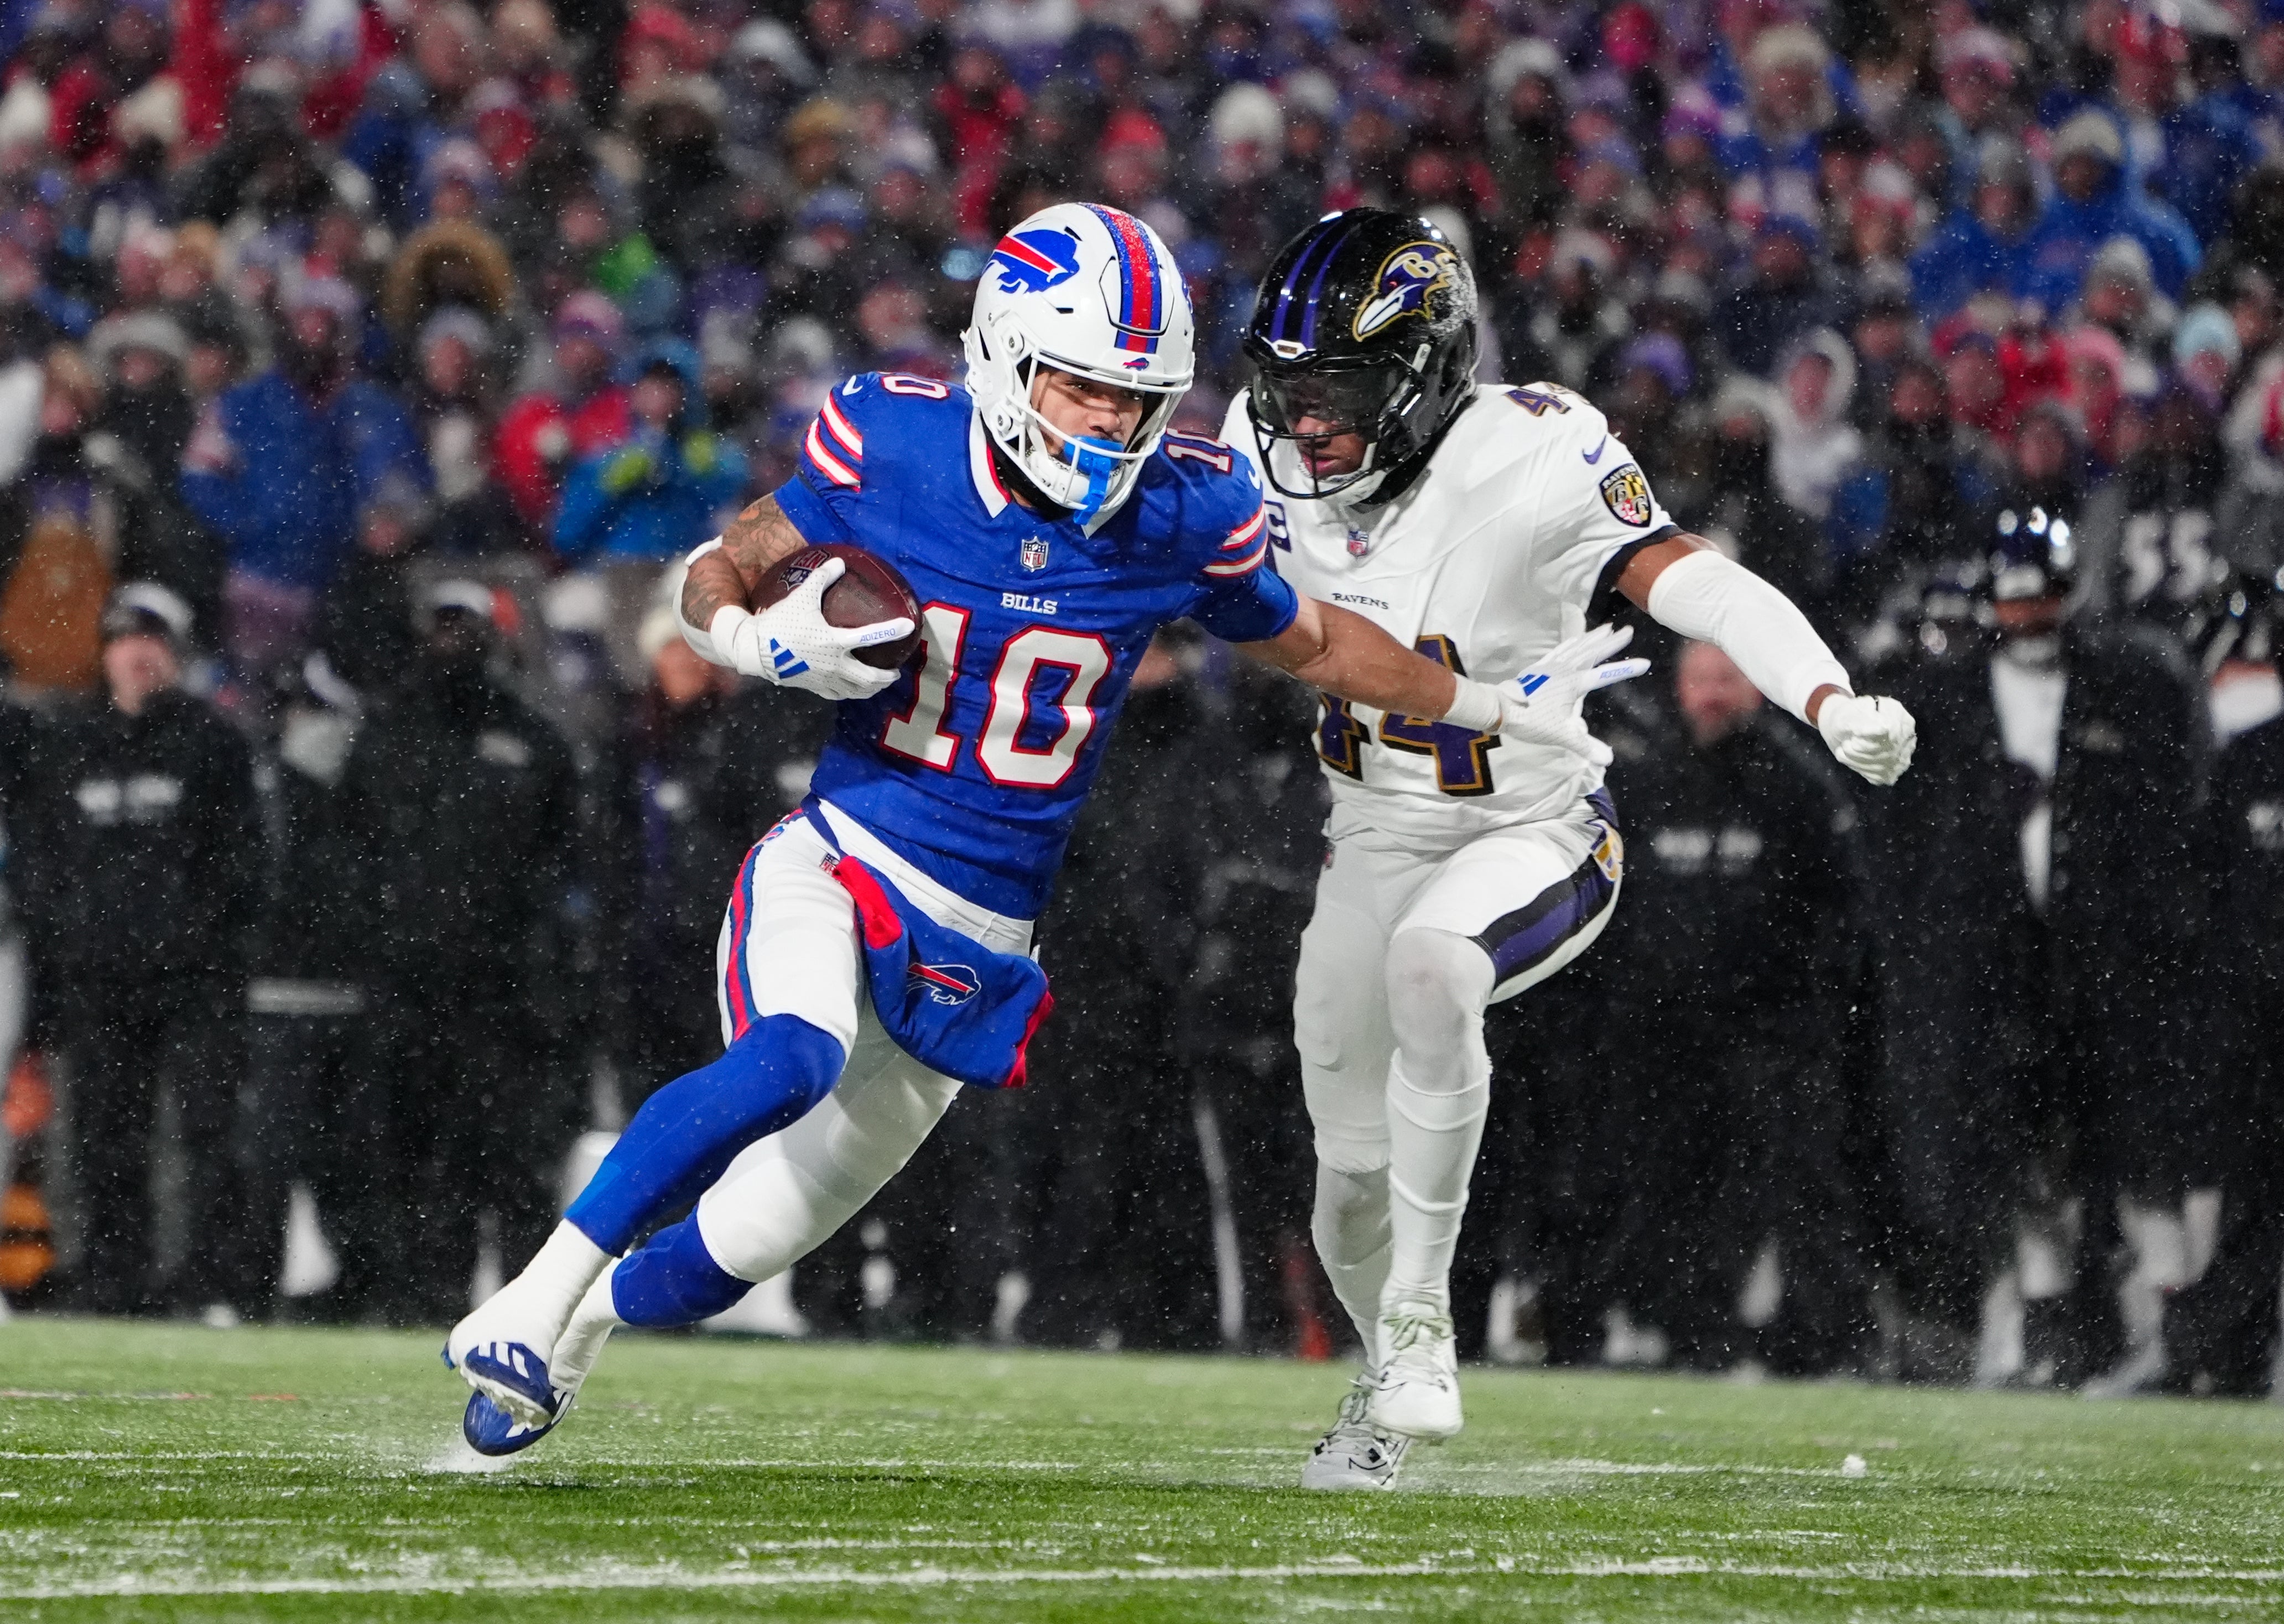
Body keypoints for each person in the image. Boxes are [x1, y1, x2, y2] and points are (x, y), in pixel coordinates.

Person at [443, 201, 1620, 1455]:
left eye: (1134, 397)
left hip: (988, 931)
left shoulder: (1182, 513)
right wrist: (748, 640)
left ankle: (582, 1328)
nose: (1111, 424)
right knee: (792, 1053)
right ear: (1004, 356)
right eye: (1082, 390)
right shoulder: (892, 444)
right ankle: (523, 1299)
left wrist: (1491, 699)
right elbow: (718, 565)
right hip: (844, 856)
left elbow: (1322, 644)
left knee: (747, 1247)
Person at [1218, 210, 1916, 1487]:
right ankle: (1382, 1389)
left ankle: (1427, 1329)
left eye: (1336, 391)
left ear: (1425, 377)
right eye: (1286, 390)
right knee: (1345, 1186)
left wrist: (1823, 695)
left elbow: (1692, 579)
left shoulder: (1537, 450)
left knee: (1437, 967)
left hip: (1531, 822)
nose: (1301, 424)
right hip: (1368, 832)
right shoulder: (1251, 457)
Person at [11, 584, 258, 1316]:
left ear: (176, 654)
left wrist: (213, 954)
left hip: (192, 982)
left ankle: (209, 1284)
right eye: (124, 638)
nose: (138, 653)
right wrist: (56, 976)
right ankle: (115, 1279)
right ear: (107, 651)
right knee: (102, 1139)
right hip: (98, 981)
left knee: (203, 1137)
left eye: (153, 640)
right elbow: (44, 866)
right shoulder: (70, 743)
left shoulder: (212, 743)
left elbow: (242, 864)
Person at [339, 582, 581, 1324]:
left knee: (512, 1155)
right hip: (406, 981)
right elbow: (350, 851)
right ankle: (418, 1294)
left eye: (466, 628)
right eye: (442, 628)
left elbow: (568, 861)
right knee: (410, 1150)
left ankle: (527, 1310)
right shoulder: (385, 735)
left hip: (504, 987)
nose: (453, 643)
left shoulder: (535, 742)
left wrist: (549, 962)